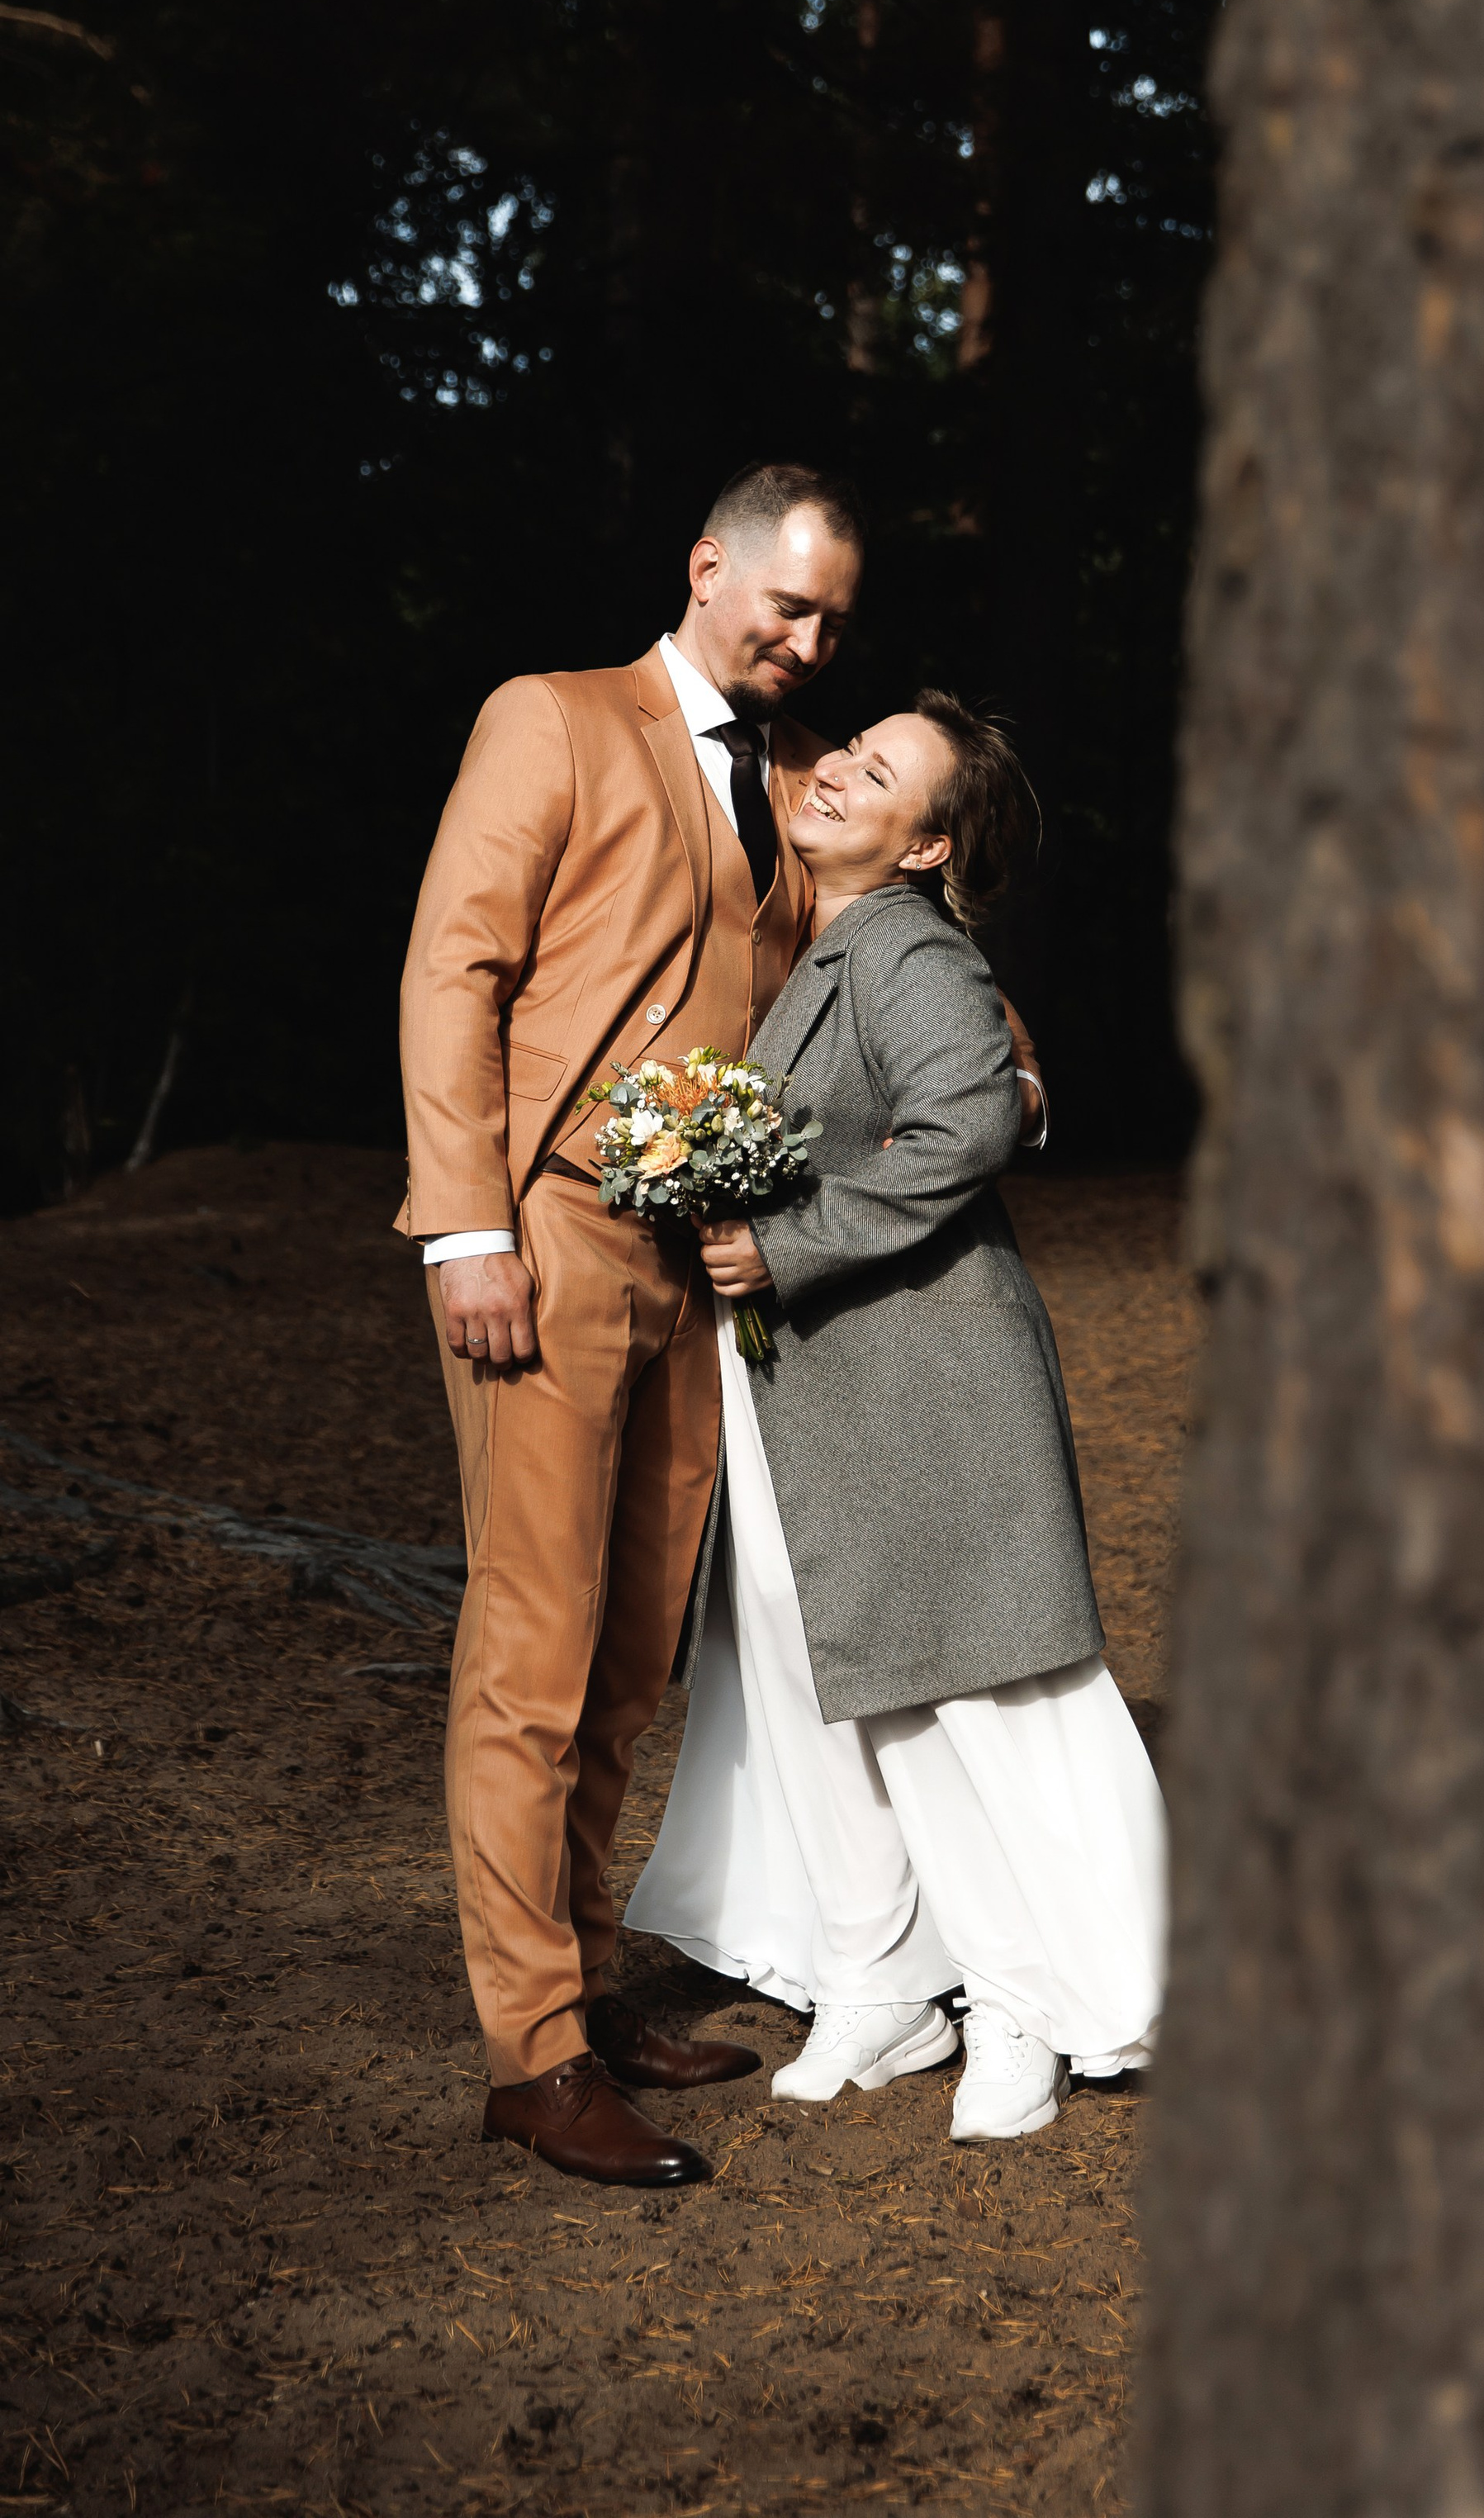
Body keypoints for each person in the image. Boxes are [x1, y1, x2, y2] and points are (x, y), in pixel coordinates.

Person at [396, 463, 1049, 2187]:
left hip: (704, 1273)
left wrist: (995, 1038)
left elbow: (862, 954)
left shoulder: (788, 787)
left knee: (628, 1653)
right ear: (708, 570)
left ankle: (588, 1986)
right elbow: (453, 964)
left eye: (833, 616)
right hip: (541, 1237)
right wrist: (463, 1224)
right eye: (785, 602)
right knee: (531, 1648)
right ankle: (530, 2058)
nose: (806, 637)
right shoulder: (550, 720)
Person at [624, 695, 1164, 2141]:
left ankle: (1035, 2007)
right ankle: (884, 1977)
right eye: (850, 747)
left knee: (972, 1699)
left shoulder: (909, 945)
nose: (844, 769)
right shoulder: (829, 939)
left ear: (926, 845)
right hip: (834, 1384)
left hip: (928, 1374)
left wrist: (787, 1242)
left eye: (885, 776)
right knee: (845, 1688)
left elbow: (973, 1122)